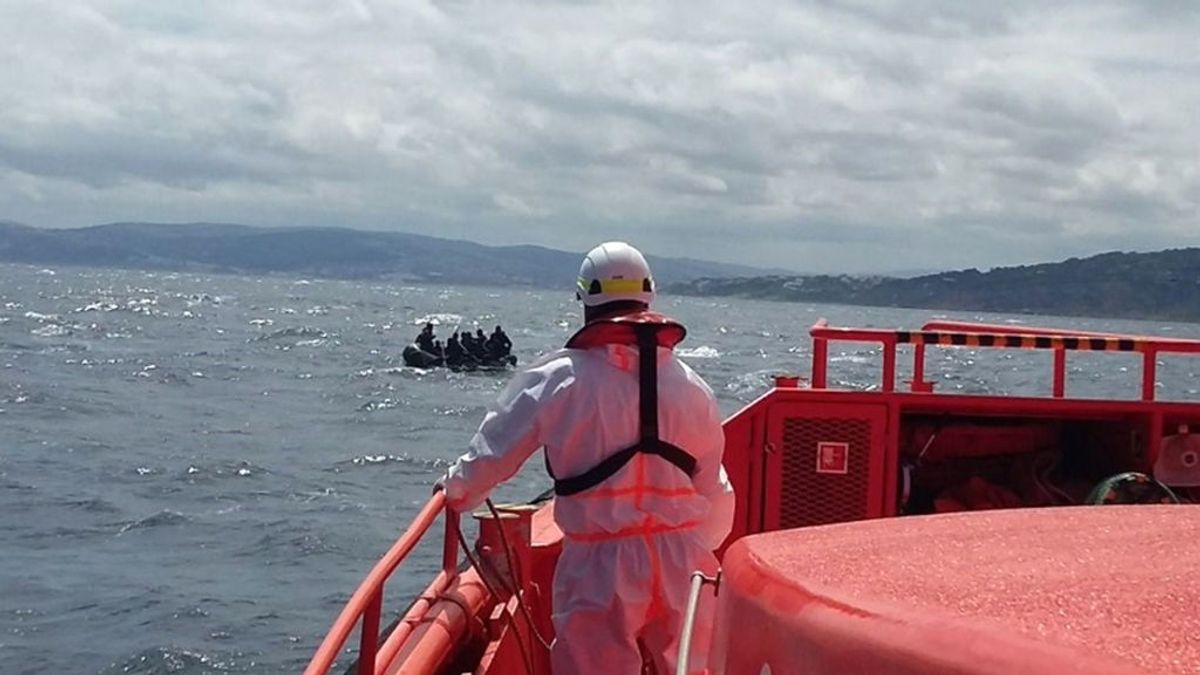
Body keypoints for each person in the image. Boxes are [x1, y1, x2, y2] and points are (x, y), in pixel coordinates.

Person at [437, 241, 735, 675]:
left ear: (585, 298)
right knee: (693, 666)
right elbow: (715, 490)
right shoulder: (693, 387)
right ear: (649, 295)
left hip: (600, 564)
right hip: (684, 559)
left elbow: (492, 454)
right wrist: (693, 545)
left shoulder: (558, 379)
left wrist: (456, 492)